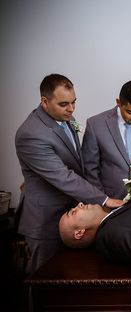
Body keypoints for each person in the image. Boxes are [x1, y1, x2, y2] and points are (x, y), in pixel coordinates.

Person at [15, 74, 124, 273]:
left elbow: (75, 161)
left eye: (74, 102)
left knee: (69, 283)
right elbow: (63, 176)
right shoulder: (31, 134)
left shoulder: (65, 117)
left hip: (72, 217)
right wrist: (103, 199)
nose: (72, 109)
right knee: (43, 284)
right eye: (64, 104)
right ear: (44, 102)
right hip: (45, 222)